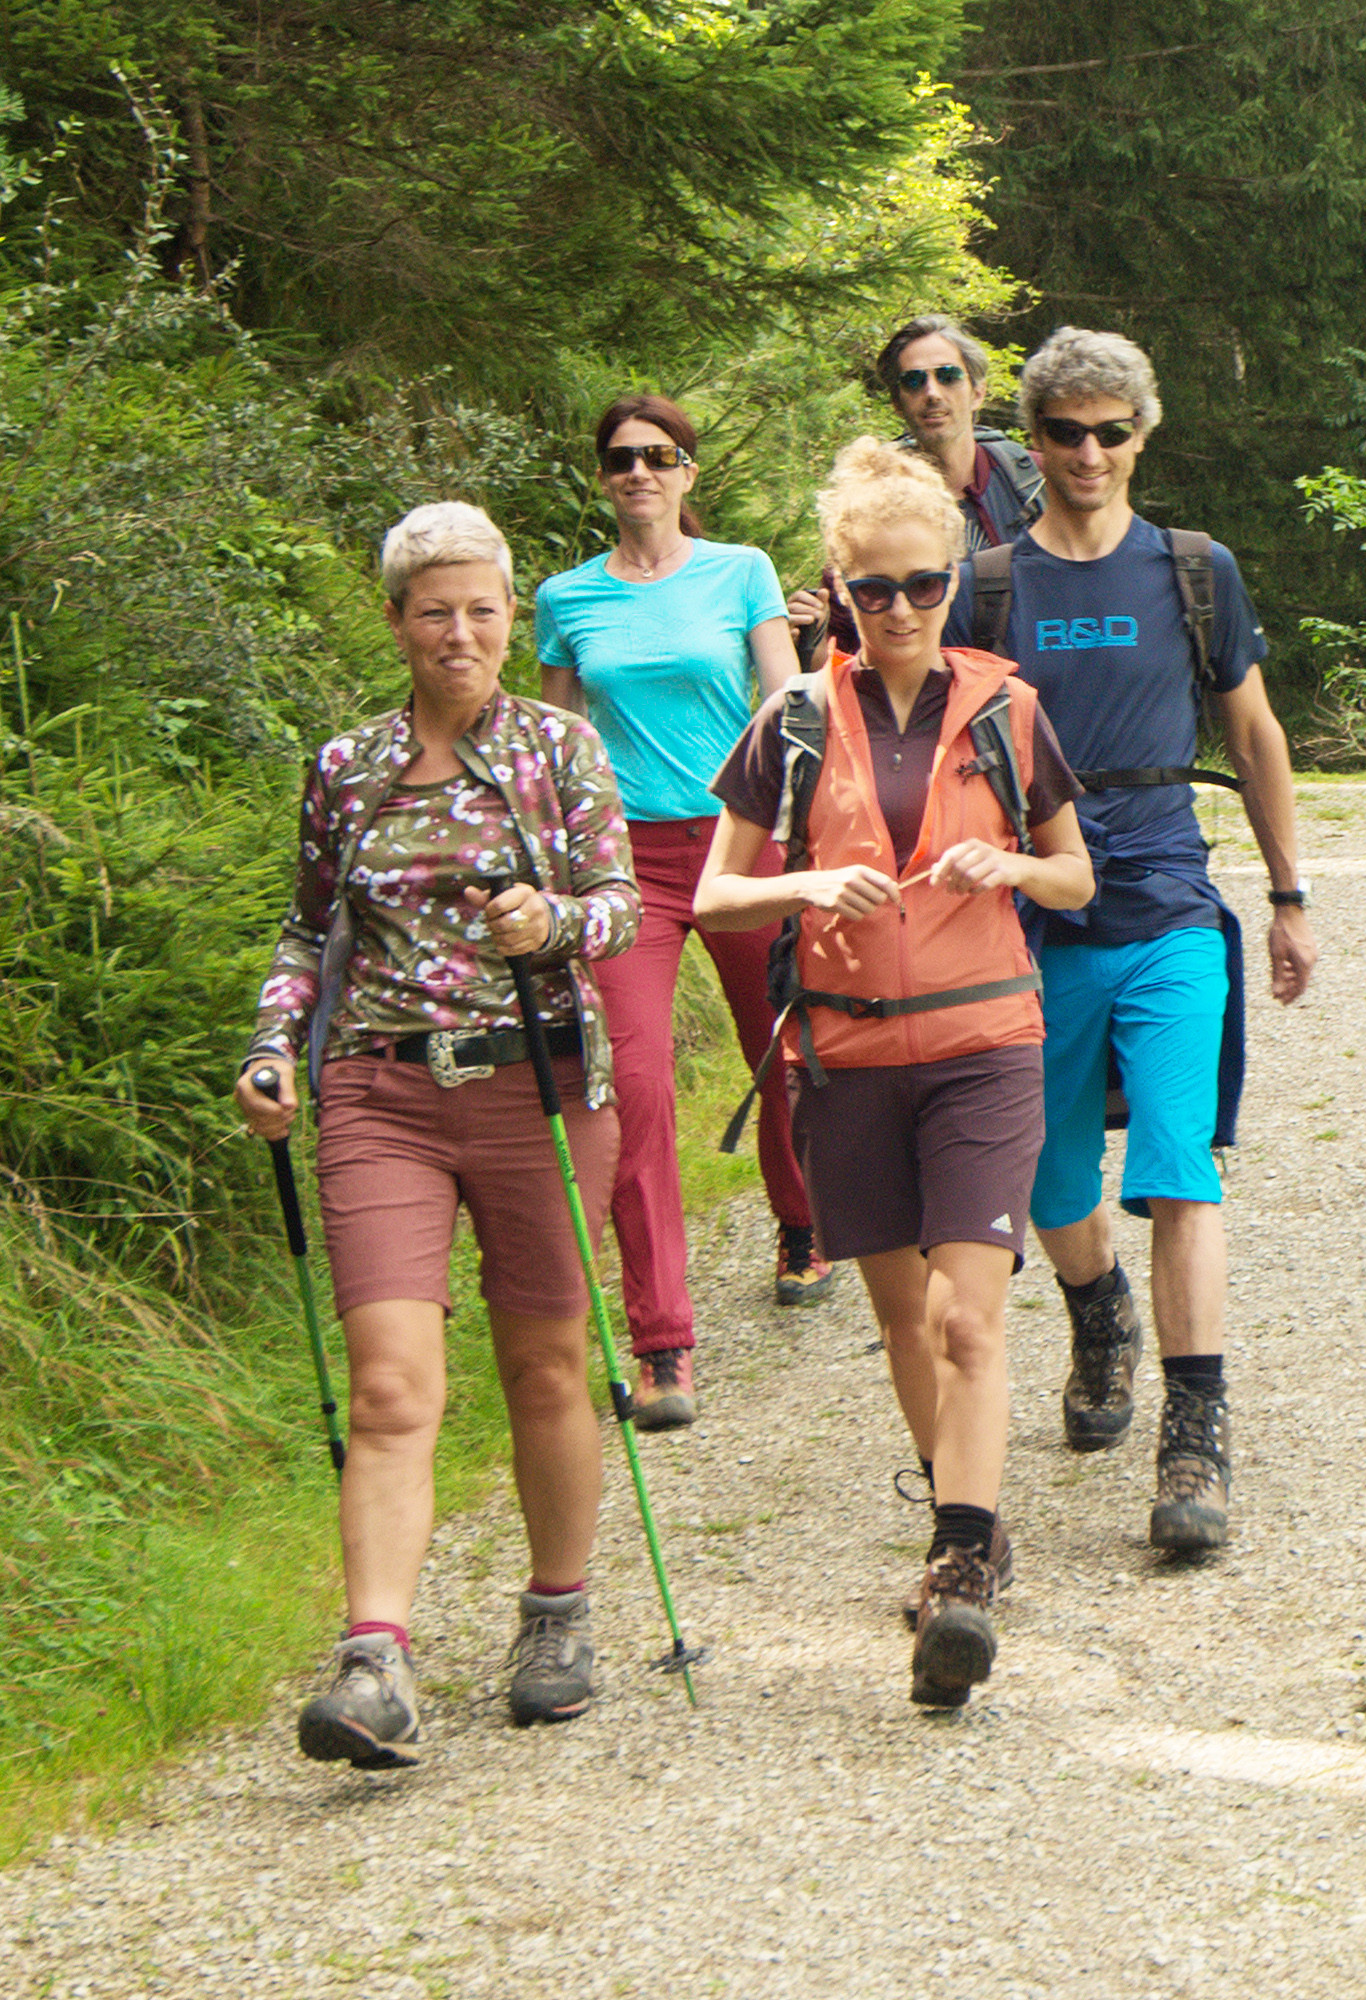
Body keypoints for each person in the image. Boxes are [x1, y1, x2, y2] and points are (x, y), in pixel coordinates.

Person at [236, 501, 640, 1767]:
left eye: (481, 609)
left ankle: (557, 1615)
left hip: (538, 1087)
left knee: (545, 1365)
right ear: (396, 621)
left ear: (510, 615)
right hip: (379, 1093)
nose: (459, 634)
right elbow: (308, 931)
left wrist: (552, 924)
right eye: (433, 611)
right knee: (390, 1383)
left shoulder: (559, 750)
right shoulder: (344, 766)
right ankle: (374, 1662)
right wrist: (269, 1045)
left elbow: (620, 906)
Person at [695, 438, 1093, 1707]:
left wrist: (1014, 872)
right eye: (875, 591)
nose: (904, 610)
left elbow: (1076, 876)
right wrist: (807, 879)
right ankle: (960, 1525)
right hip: (847, 1051)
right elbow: (713, 894)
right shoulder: (794, 724)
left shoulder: (1009, 709)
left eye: (925, 586)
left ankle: (961, 1566)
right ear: (839, 587)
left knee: (965, 1314)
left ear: (953, 582)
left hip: (986, 1046)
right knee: (897, 1317)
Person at [940, 326, 1318, 1554]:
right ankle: (1096, 1309)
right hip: (1028, 924)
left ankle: (1193, 1431)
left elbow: (1254, 734)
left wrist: (1286, 892)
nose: (1089, 453)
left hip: (1165, 905)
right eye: (1065, 432)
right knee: (1051, 1185)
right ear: (1033, 441)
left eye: (1112, 431)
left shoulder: (1194, 571)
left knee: (1178, 1169)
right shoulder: (986, 584)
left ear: (1141, 436)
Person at [536, 394, 830, 1435]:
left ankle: (802, 1222)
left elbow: (786, 699)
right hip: (625, 865)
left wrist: (796, 830)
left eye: (658, 455)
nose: (638, 472)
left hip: (736, 839)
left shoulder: (739, 570)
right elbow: (554, 738)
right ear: (602, 475)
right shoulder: (564, 596)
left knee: (780, 1045)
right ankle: (662, 1337)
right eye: (620, 457)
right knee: (637, 1082)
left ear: (686, 472)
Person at [786, 316, 1044, 661]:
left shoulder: (1032, 482)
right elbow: (843, 654)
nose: (932, 393)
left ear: (978, 392)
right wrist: (811, 636)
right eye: (913, 381)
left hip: (1025, 692)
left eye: (948, 376)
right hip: (918, 703)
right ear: (897, 402)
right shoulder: (869, 499)